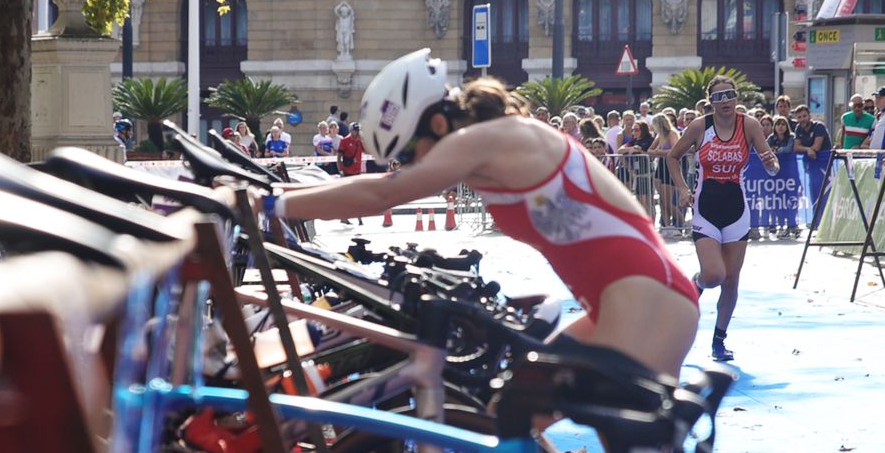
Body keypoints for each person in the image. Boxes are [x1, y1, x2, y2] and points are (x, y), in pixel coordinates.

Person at [266, 50, 701, 378]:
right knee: (508, 418)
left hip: (647, 304)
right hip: (627, 304)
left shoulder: (487, 138)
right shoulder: (485, 147)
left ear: (436, 125)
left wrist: (271, 202)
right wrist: (269, 189)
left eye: (409, 152)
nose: (410, 166)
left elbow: (382, 194)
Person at [655, 76, 783, 362]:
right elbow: (673, 157)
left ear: (736, 97)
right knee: (714, 274)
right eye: (718, 97)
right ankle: (696, 285)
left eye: (729, 95)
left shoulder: (748, 124)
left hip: (736, 209)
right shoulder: (700, 126)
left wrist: (770, 163)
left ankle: (718, 341)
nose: (725, 102)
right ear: (710, 102)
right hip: (706, 208)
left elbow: (767, 157)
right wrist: (683, 188)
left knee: (731, 280)